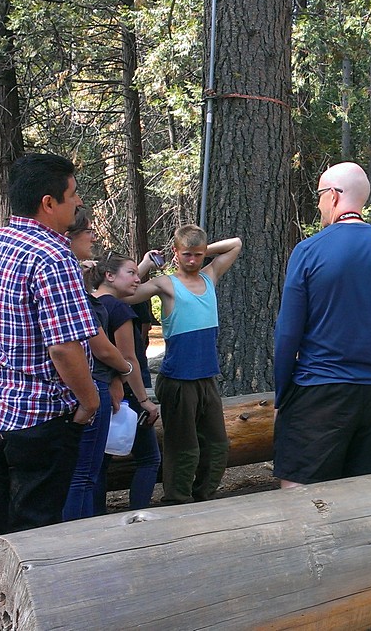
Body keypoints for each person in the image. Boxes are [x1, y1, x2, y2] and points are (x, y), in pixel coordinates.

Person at [0, 153, 100, 542]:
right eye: (73, 194)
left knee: (3, 523)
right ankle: (29, 603)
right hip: (41, 420)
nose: (78, 201)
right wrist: (90, 401)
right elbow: (65, 348)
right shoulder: (53, 256)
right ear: (48, 203)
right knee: (38, 533)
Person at [273, 162, 371, 487]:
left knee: (299, 491)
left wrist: (282, 396)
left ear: (333, 196)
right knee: (363, 494)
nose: (317, 204)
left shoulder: (308, 251)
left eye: (318, 195)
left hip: (318, 390)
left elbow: (288, 334)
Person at [126, 225, 242, 504]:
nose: (192, 260)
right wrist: (144, 265)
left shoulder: (209, 275)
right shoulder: (165, 284)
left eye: (197, 255)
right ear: (176, 253)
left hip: (207, 378)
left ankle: (203, 496)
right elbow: (119, 294)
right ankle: (177, 500)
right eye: (186, 254)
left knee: (217, 446)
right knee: (184, 448)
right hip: (178, 380)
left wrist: (204, 250)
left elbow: (235, 243)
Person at [62, 210, 140, 520]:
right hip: (89, 390)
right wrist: (124, 371)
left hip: (97, 387)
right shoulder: (101, 303)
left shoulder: (80, 287)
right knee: (83, 476)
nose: (94, 237)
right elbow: (100, 348)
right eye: (88, 232)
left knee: (85, 475)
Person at [89, 254, 161, 512]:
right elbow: (127, 356)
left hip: (97, 390)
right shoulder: (119, 309)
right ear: (109, 276)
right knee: (149, 459)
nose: (137, 278)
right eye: (131, 273)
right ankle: (139, 515)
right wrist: (144, 401)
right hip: (127, 394)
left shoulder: (89, 304)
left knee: (98, 462)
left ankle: (95, 516)